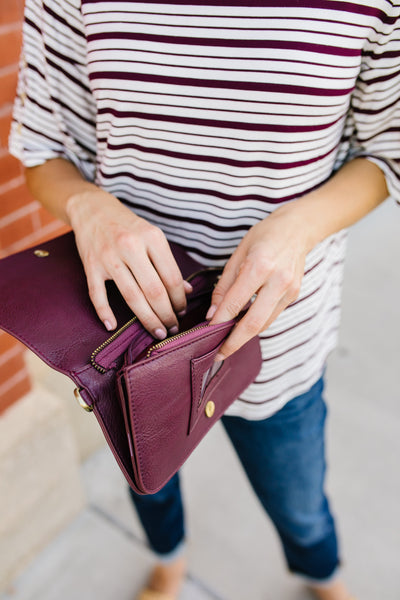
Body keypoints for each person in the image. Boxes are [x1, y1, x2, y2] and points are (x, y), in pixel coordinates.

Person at [9, 0, 399, 599]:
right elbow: (42, 150)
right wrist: (88, 206)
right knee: (150, 477)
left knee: (297, 496)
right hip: (130, 330)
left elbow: (387, 151)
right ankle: (169, 561)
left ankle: (322, 573)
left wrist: (298, 227)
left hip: (277, 333)